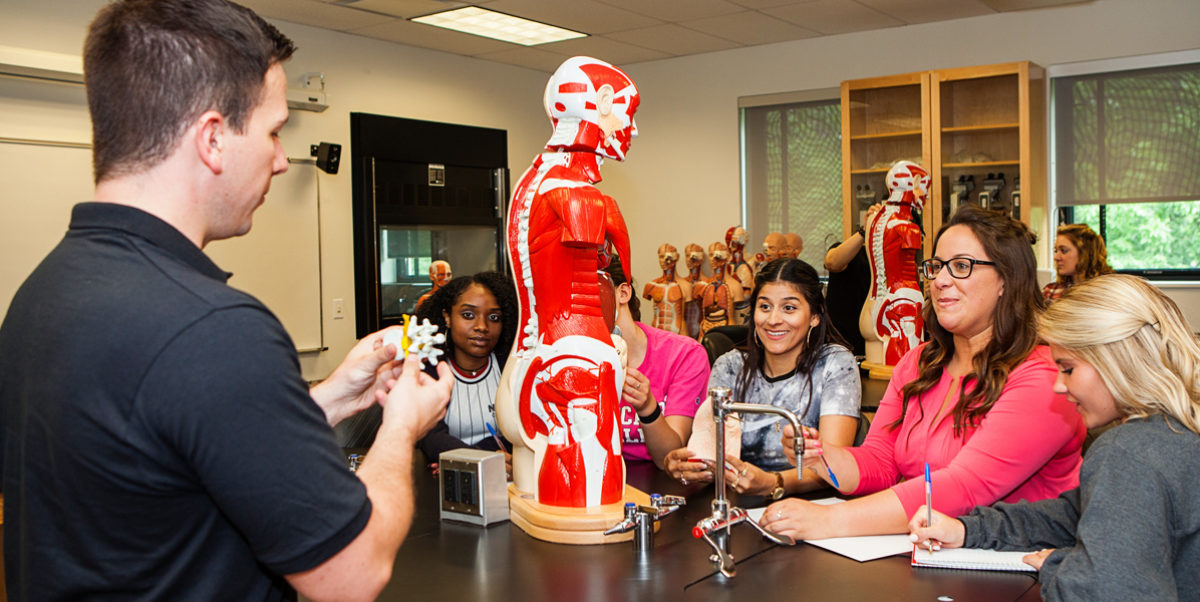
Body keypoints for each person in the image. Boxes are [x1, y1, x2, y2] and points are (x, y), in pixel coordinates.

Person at [0, 1, 453, 599]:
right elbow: (353, 573)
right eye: (273, 131)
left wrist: (331, 399)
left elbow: (170, 460)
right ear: (213, 138)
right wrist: (401, 426)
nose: (281, 160)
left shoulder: (45, 291)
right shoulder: (213, 327)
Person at [761, 205, 1085, 539]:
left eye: (961, 267)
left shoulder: (1045, 377)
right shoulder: (918, 363)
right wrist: (822, 458)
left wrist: (827, 521)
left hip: (1016, 567)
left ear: (1007, 278)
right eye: (937, 267)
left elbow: (964, 488)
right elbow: (880, 463)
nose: (940, 281)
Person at [910, 274, 1200, 600]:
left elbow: (1103, 591)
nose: (1059, 386)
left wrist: (1056, 564)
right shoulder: (1177, 434)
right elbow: (1071, 517)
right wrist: (967, 529)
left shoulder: (1126, 453)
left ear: (1115, 360)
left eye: (1068, 368)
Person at [665, 258, 861, 499]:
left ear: (815, 316)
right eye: (765, 307)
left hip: (814, 508)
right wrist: (688, 465)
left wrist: (772, 483)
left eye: (789, 308)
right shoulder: (729, 366)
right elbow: (715, 455)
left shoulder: (835, 364)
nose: (773, 319)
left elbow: (834, 466)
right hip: (739, 502)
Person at [603, 257, 708, 469]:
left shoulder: (684, 355)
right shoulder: (576, 357)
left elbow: (670, 456)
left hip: (659, 481)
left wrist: (648, 408)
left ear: (623, 293)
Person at [415, 272, 518, 467]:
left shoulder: (511, 368)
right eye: (468, 315)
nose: (482, 326)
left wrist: (455, 456)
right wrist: (481, 459)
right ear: (447, 317)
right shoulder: (430, 371)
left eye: (494, 317)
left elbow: (522, 434)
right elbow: (431, 437)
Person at [824, 202, 882, 356]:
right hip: (841, 347)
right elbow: (832, 262)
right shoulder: (851, 253)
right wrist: (865, 231)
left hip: (875, 346)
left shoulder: (890, 263)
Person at [1042, 223, 1113, 301]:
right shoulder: (1050, 291)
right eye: (1056, 251)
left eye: (1063, 250)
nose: (1056, 257)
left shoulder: (1108, 292)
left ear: (1085, 253)